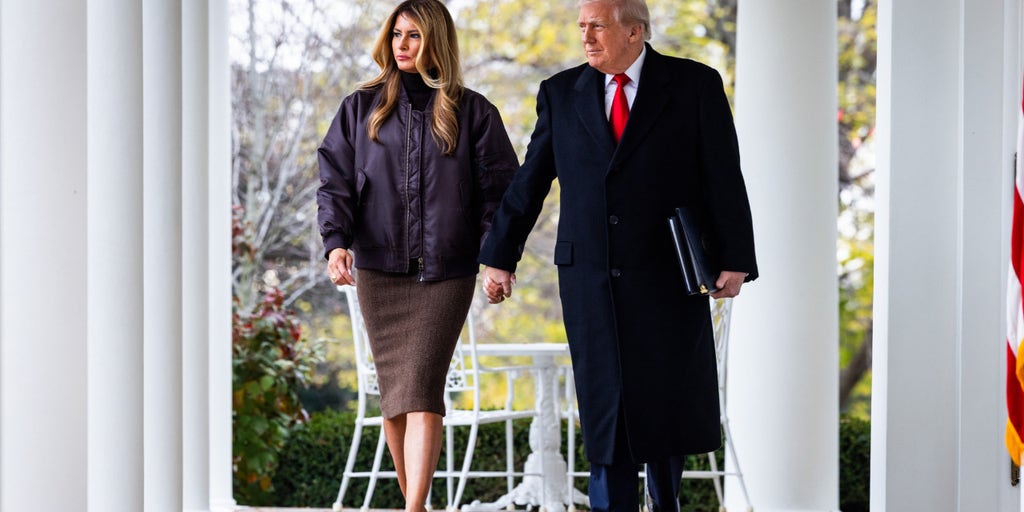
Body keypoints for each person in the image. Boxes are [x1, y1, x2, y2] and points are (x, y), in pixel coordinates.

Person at [478, 0, 758, 510]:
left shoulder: (694, 85)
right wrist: (500, 255)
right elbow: (530, 181)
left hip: (668, 275)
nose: (586, 37)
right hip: (589, 277)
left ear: (634, 31)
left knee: (665, 400)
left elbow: (723, 175)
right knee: (605, 406)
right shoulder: (561, 93)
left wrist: (735, 256)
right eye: (582, 27)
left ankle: (665, 500)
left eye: (597, 27)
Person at [316, 1, 518, 510]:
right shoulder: (359, 107)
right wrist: (335, 241)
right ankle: (419, 507)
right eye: (397, 35)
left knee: (423, 388)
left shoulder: (473, 111)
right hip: (379, 269)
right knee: (395, 398)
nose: (402, 45)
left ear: (436, 43)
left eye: (414, 36)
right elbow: (334, 180)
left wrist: (499, 259)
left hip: (447, 270)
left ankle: (412, 507)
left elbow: (501, 193)